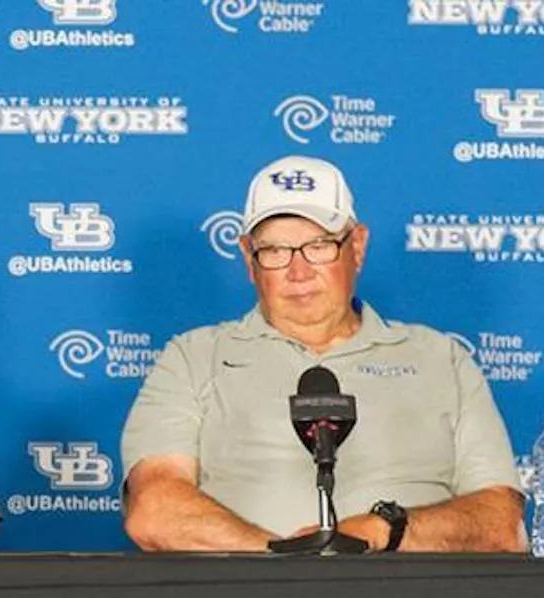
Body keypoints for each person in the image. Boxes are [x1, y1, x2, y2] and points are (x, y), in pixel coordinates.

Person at [120, 155, 523, 553]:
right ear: (248, 258)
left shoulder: (442, 359)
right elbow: (154, 510)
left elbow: (499, 522)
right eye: (275, 250)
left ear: (358, 246)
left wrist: (385, 531)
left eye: (319, 245)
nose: (298, 271)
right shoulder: (193, 358)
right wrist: (285, 558)